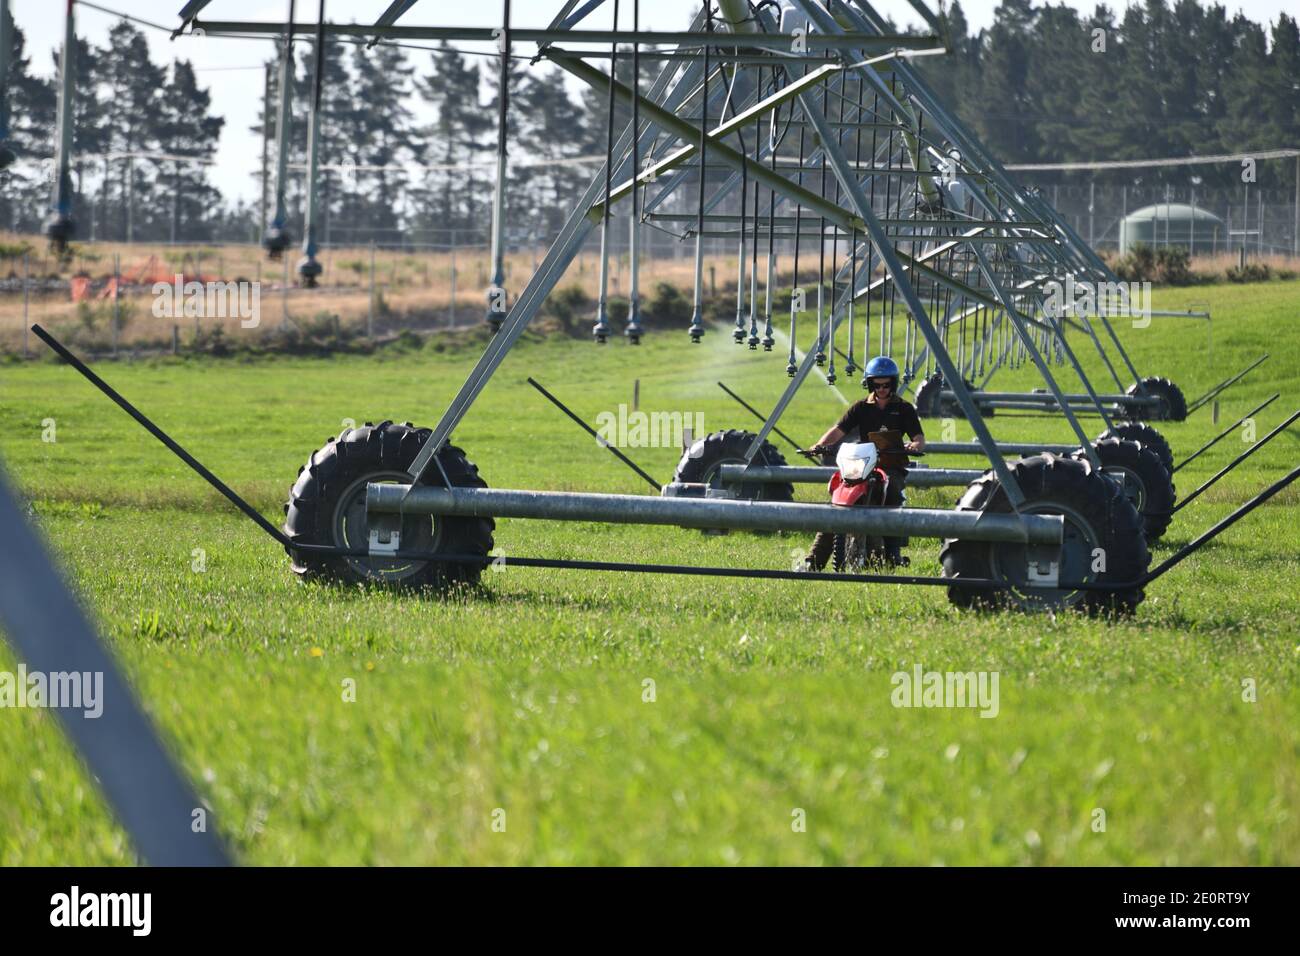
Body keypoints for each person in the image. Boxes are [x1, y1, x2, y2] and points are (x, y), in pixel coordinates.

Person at [800, 356, 925, 570]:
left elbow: (919, 438)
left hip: (891, 466)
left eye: (886, 385)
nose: (882, 389)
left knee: (892, 491)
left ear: (893, 384)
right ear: (870, 384)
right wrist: (819, 445)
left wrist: (914, 445)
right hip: (861, 465)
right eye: (877, 385)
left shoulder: (904, 408)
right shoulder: (860, 407)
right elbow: (839, 430)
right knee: (837, 502)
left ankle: (893, 554)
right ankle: (813, 562)